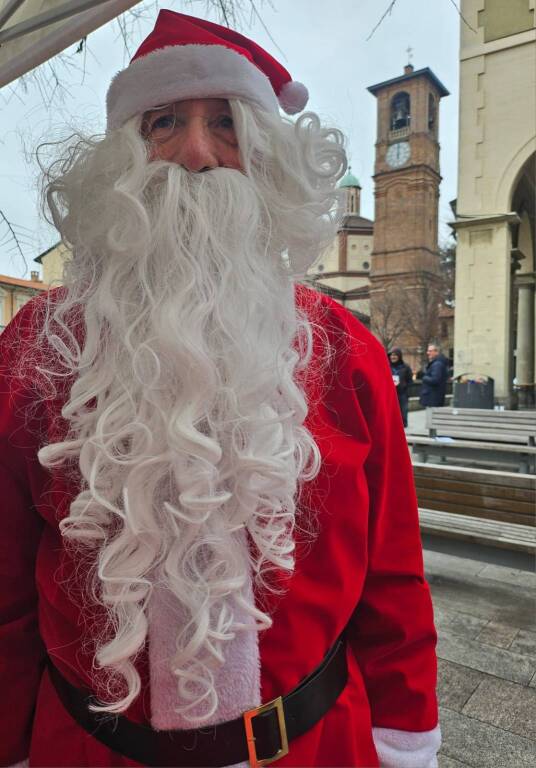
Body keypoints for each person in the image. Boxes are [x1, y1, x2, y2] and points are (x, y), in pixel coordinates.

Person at [0, 10, 440, 768]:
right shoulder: (38, 345)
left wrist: (407, 738)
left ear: (268, 162)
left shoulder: (345, 349)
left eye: (228, 126)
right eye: (165, 121)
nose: (196, 155)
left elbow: (393, 578)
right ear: (123, 161)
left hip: (312, 747)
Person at [389, 347, 413, 428]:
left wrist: (404, 386)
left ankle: (402, 428)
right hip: (390, 394)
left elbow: (410, 381)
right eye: (391, 355)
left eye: (395, 355)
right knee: (390, 413)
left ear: (399, 356)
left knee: (403, 412)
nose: (393, 357)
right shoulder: (386, 366)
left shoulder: (406, 367)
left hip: (402, 394)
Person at [419, 343, 449, 408]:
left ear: (436, 352)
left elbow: (435, 380)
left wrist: (424, 377)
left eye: (430, 351)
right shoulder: (438, 363)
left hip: (432, 399)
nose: (427, 353)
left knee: (431, 417)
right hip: (433, 399)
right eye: (428, 351)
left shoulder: (437, 364)